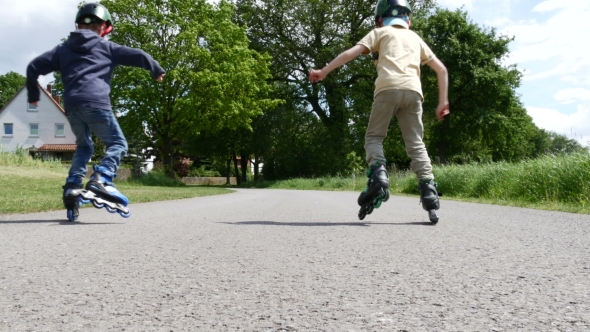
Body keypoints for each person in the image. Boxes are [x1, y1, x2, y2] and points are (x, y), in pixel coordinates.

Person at [309, 0, 449, 223]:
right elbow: (441, 69)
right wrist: (443, 102)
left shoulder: (379, 32)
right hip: (414, 93)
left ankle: (378, 174)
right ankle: (429, 192)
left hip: (387, 89)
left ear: (380, 19)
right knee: (416, 144)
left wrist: (324, 71)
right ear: (408, 20)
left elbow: (350, 53)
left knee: (374, 137)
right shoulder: (416, 38)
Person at [26, 2, 166, 221]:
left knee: (84, 147)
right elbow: (138, 54)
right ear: (104, 28)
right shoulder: (107, 47)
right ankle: (101, 178)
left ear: (78, 25)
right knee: (118, 144)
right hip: (97, 104)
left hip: (72, 107)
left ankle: (73, 187)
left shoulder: (62, 50)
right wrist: (156, 69)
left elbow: (33, 67)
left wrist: (34, 96)